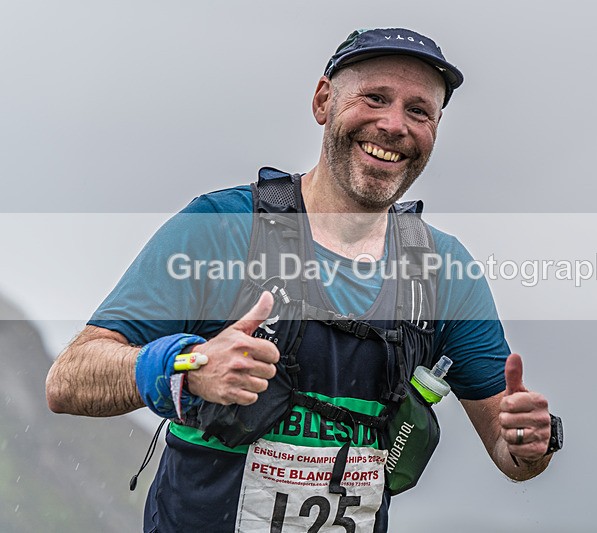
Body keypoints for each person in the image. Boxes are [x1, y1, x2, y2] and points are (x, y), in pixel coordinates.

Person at [45, 27, 562, 532]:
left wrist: (526, 444)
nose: (394, 125)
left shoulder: (443, 270)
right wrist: (187, 366)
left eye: (418, 111)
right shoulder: (222, 229)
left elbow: (513, 455)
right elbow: (68, 379)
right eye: (375, 98)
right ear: (323, 101)